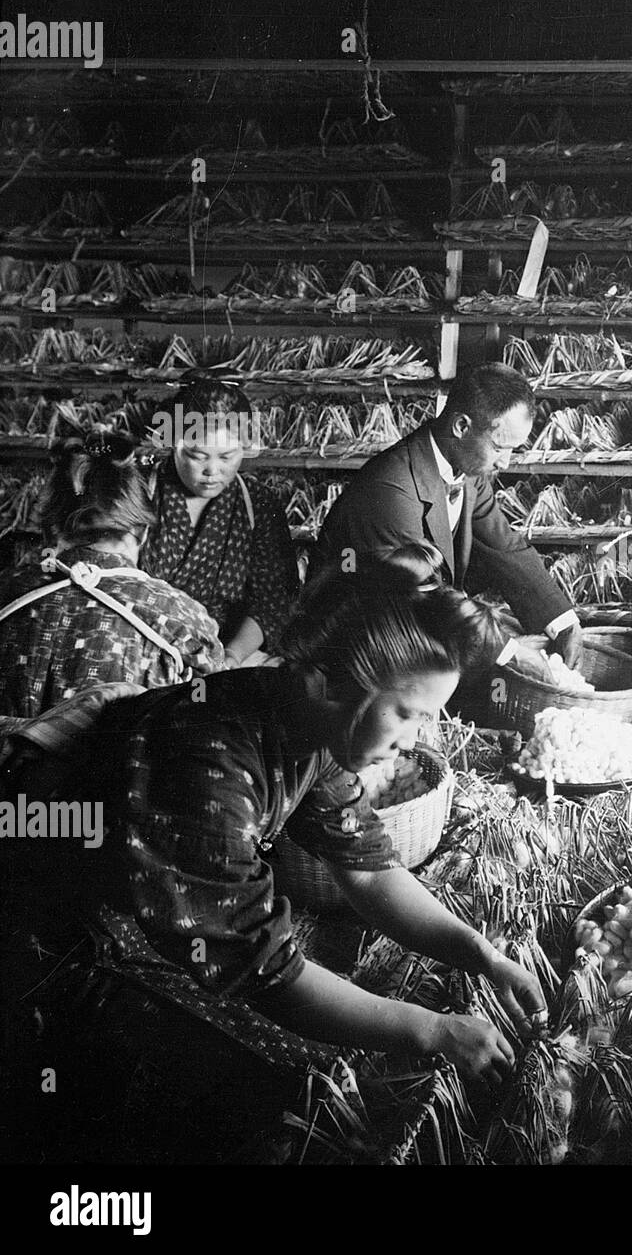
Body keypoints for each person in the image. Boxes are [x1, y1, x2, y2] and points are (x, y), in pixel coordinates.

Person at [3, 564, 545, 1091]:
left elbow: (371, 873)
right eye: (408, 712)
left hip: (134, 907)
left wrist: (481, 955)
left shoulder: (309, 725)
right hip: (50, 921)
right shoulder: (208, 766)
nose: (411, 739)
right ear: (339, 683)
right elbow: (268, 973)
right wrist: (432, 1030)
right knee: (279, 1089)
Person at [310, 361, 583, 666]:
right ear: (461, 426)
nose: (505, 463)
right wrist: (514, 653)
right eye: (499, 448)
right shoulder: (391, 487)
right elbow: (426, 593)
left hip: (411, 629)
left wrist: (563, 621)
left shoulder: (467, 467)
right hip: (356, 651)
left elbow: (504, 546)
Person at [0, 429, 223, 719]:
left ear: (50, 532)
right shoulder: (184, 619)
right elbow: (207, 718)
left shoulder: (6, 591)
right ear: (142, 532)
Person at [139, 377, 300, 666]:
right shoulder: (138, 494)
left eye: (227, 456)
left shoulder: (257, 504)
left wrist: (231, 657)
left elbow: (272, 599)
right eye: (197, 455)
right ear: (173, 443)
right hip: (143, 645)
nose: (212, 471)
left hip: (227, 651)